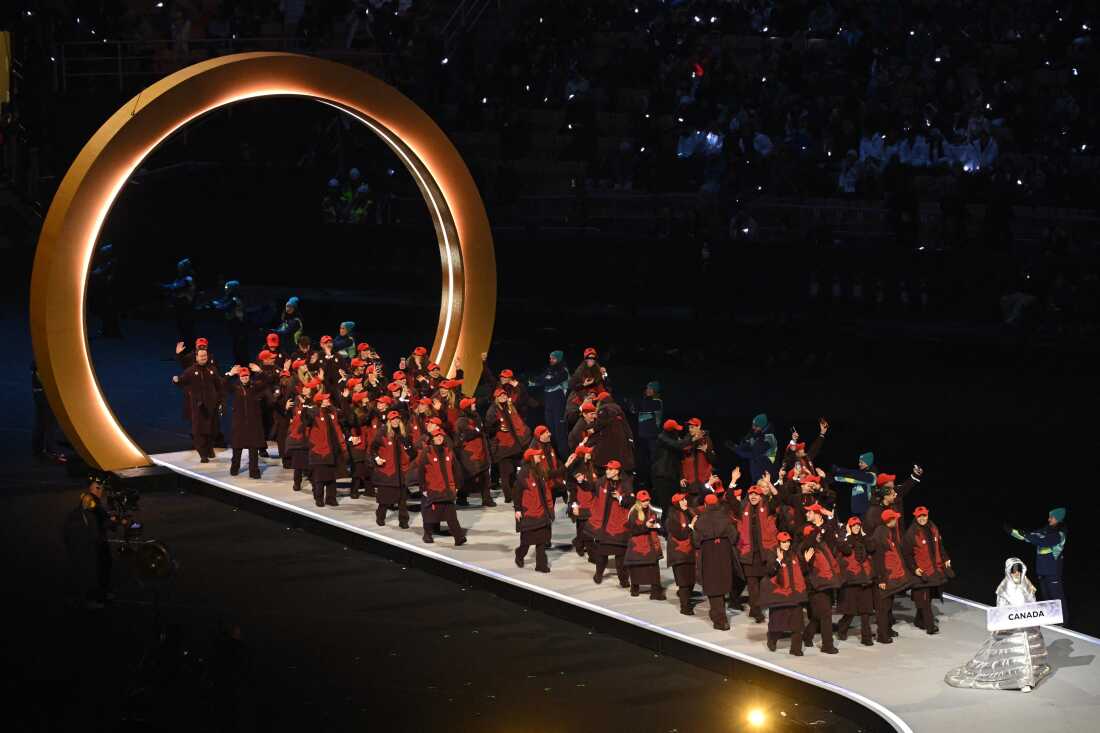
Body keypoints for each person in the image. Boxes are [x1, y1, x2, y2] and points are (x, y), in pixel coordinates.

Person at [945, 558, 1051, 692]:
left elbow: (1033, 601)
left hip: (1027, 625)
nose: (1016, 573)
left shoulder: (1027, 583)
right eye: (1013, 571)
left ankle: (1029, 677)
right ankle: (1023, 681)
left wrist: (1033, 616)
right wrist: (1006, 620)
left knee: (1028, 650)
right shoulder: (1004, 587)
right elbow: (1001, 608)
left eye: (1018, 570)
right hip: (1012, 626)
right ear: (1008, 572)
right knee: (1016, 653)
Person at [63, 473, 115, 609]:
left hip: (97, 542)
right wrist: (112, 521)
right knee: (91, 571)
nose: (100, 491)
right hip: (90, 544)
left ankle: (101, 593)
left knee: (104, 566)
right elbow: (98, 524)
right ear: (89, 489)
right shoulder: (89, 504)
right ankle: (89, 599)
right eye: (96, 488)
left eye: (101, 488)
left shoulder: (93, 503)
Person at [693, 493, 744, 630]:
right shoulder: (725, 519)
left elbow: (696, 542)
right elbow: (734, 537)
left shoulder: (700, 521)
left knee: (713, 587)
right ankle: (717, 615)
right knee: (721, 586)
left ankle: (720, 620)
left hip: (708, 556)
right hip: (724, 556)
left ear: (705, 505)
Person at [1008, 508, 1067, 620]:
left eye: (1052, 517)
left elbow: (1043, 541)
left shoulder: (1060, 534)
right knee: (1046, 598)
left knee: (1057, 598)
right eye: (1049, 516)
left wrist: (1027, 535)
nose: (1049, 519)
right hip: (1042, 570)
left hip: (1053, 571)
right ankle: (1051, 619)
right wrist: (1012, 531)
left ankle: (1063, 622)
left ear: (1058, 519)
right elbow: (1028, 536)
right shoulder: (1045, 530)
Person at [799, 506, 843, 654]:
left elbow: (830, 534)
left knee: (819, 614)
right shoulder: (807, 547)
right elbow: (804, 568)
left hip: (827, 582)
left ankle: (806, 636)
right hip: (816, 585)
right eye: (815, 535)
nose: (819, 536)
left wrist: (828, 518)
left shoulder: (821, 544)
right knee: (825, 615)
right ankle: (827, 645)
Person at [735, 480, 779, 623]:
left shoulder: (767, 506)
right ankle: (756, 610)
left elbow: (778, 499)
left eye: (756, 494)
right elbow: (730, 501)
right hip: (748, 553)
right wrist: (733, 482)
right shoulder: (743, 507)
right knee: (752, 584)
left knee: (762, 583)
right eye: (751, 494)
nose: (753, 496)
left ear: (761, 496)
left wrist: (770, 484)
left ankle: (756, 608)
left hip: (763, 553)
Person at [904, 506, 953, 634]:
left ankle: (919, 620)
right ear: (915, 516)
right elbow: (907, 555)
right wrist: (915, 569)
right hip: (921, 572)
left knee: (928, 598)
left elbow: (940, 546)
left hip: (934, 571)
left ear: (927, 515)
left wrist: (946, 558)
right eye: (919, 516)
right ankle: (930, 626)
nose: (922, 518)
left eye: (924, 516)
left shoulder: (933, 527)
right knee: (925, 601)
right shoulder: (911, 533)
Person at [586, 460, 635, 586]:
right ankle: (598, 575)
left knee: (620, 557)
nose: (607, 471)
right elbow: (591, 488)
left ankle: (623, 580)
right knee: (602, 554)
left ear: (617, 471)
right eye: (607, 469)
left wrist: (620, 497)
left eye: (610, 469)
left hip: (619, 525)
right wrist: (581, 480)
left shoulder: (626, 483)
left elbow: (630, 501)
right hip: (604, 525)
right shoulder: (602, 481)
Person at [760, 531, 809, 655]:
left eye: (788, 541)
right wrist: (778, 560)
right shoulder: (772, 554)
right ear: (778, 542)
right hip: (780, 596)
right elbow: (769, 571)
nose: (787, 544)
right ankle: (771, 639)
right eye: (784, 542)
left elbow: (799, 572)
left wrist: (805, 562)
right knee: (777, 624)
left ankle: (796, 649)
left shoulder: (794, 554)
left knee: (797, 625)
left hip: (795, 595)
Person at [416, 428, 467, 546]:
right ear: (432, 439)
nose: (439, 438)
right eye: (437, 437)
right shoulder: (426, 452)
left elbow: (457, 470)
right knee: (429, 514)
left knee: (451, 515)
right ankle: (427, 534)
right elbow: (421, 472)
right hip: (433, 489)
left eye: (441, 436)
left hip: (448, 489)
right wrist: (423, 488)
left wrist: (457, 486)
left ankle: (459, 537)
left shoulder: (448, 451)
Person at [869, 508, 912, 643]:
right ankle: (882, 635)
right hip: (884, 578)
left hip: (890, 577)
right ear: (889, 520)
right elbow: (878, 559)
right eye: (894, 518)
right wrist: (881, 578)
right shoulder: (880, 534)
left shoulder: (887, 532)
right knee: (882, 608)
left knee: (888, 607)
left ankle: (887, 630)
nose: (896, 520)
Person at [174, 346, 224, 462]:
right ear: (196, 357)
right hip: (198, 406)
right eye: (201, 356)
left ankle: (209, 448)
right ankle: (203, 454)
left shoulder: (212, 370)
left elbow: (219, 385)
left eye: (205, 356)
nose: (203, 358)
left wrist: (220, 401)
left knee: (212, 429)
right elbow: (181, 381)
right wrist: (176, 380)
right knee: (199, 430)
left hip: (212, 405)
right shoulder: (191, 371)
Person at [371, 410, 417, 527]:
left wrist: (408, 454)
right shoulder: (382, 433)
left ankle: (403, 521)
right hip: (388, 472)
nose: (395, 421)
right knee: (385, 500)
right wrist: (377, 459)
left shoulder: (404, 435)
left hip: (401, 473)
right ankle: (380, 517)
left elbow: (413, 453)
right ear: (389, 421)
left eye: (397, 419)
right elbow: (373, 449)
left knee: (402, 501)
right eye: (393, 419)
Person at [485, 388, 530, 502]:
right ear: (496, 398)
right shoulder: (493, 410)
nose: (503, 397)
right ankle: (508, 497)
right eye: (500, 396)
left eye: (504, 395)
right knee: (505, 473)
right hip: (501, 447)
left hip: (513, 446)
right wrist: (498, 427)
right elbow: (488, 428)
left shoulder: (510, 407)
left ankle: (514, 494)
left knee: (512, 472)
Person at [836, 516, 876, 646]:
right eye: (854, 525)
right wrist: (847, 534)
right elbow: (846, 550)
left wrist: (864, 535)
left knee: (866, 611)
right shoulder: (844, 539)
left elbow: (871, 548)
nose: (857, 527)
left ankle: (866, 637)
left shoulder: (864, 538)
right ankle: (842, 628)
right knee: (850, 611)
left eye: (858, 525)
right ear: (849, 527)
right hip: (851, 580)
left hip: (865, 579)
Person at [303, 392, 347, 508]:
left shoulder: (333, 411)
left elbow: (344, 418)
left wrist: (344, 399)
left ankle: (331, 498)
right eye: (325, 399)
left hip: (333, 449)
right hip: (319, 450)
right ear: (320, 401)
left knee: (332, 477)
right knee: (320, 477)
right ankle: (319, 498)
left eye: (328, 398)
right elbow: (306, 418)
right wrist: (306, 403)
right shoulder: (314, 412)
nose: (328, 400)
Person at [514, 448, 554, 572]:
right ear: (531, 457)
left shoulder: (540, 470)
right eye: (537, 456)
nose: (540, 457)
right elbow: (517, 493)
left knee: (541, 541)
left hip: (541, 512)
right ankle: (520, 554)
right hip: (529, 513)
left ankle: (541, 565)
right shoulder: (523, 473)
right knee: (526, 542)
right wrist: (518, 509)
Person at [526, 350, 570, 457]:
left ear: (558, 359)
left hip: (558, 402)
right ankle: (553, 454)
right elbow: (541, 378)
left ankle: (564, 456)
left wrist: (539, 382)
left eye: (553, 358)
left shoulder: (563, 371)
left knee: (560, 431)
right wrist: (536, 381)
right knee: (550, 429)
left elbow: (552, 381)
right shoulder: (549, 369)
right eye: (550, 358)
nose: (551, 360)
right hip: (549, 402)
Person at [226, 364, 266, 479]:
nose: (245, 378)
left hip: (253, 424)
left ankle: (254, 471)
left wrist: (260, 371)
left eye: (246, 376)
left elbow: (267, 382)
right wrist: (230, 374)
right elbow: (222, 384)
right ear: (239, 377)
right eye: (242, 376)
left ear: (249, 376)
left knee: (254, 449)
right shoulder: (235, 388)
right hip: (239, 424)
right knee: (237, 448)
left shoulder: (255, 387)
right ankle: (234, 468)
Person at [624, 490, 666, 600]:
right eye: (643, 501)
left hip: (651, 543)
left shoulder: (652, 511)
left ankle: (655, 591)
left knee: (653, 568)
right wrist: (646, 526)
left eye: (647, 500)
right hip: (638, 544)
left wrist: (657, 526)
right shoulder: (633, 512)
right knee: (636, 568)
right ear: (638, 501)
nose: (646, 502)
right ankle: (635, 588)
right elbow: (632, 530)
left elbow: (658, 525)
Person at [454, 398, 496, 507]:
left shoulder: (476, 416)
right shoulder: (461, 421)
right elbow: (468, 434)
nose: (475, 405)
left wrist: (478, 429)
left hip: (481, 451)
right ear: (467, 407)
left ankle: (487, 499)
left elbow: (478, 430)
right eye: (472, 404)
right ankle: (461, 498)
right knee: (469, 477)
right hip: (470, 454)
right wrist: (478, 429)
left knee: (485, 477)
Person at [665, 492, 697, 615]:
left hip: (690, 552)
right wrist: (691, 525)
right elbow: (681, 534)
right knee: (683, 582)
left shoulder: (688, 512)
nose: (685, 502)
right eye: (682, 500)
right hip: (679, 554)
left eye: (685, 499)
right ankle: (685, 607)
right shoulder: (672, 517)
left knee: (691, 579)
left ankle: (687, 598)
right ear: (676, 503)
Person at [653, 419, 691, 516]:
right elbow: (679, 445)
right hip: (662, 476)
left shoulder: (672, 439)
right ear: (671, 431)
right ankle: (665, 528)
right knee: (666, 505)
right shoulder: (662, 438)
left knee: (673, 504)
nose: (678, 432)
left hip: (671, 476)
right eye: (676, 430)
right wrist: (690, 436)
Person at [31, 360, 66, 464]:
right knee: (49, 423)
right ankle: (51, 452)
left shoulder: (38, 360)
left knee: (41, 422)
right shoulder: (43, 363)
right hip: (45, 394)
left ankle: (38, 450)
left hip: (39, 393)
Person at [680, 417, 717, 505]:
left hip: (704, 480)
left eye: (692, 427)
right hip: (689, 482)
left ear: (699, 426)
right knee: (691, 508)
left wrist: (707, 452)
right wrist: (681, 477)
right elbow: (680, 460)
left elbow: (713, 460)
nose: (690, 429)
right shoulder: (685, 441)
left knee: (706, 507)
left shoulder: (706, 439)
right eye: (689, 427)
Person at [633, 381, 664, 485]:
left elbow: (643, 410)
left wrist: (637, 406)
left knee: (653, 460)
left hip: (652, 436)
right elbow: (636, 410)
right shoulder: (647, 401)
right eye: (647, 388)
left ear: (655, 391)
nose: (647, 390)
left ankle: (653, 481)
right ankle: (644, 480)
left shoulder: (657, 401)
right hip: (643, 436)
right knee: (643, 460)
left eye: (650, 389)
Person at [732, 413, 777, 482]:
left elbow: (753, 454)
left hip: (765, 476)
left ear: (762, 426)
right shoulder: (758, 435)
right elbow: (748, 445)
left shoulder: (768, 439)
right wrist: (740, 445)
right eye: (753, 425)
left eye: (756, 426)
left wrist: (735, 449)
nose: (753, 427)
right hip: (757, 474)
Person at [161, 257, 196, 344]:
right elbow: (174, 287)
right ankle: (185, 352)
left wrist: (170, 288)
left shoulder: (188, 279)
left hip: (186, 308)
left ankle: (190, 351)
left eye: (180, 267)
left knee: (187, 330)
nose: (178, 269)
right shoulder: (180, 278)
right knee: (182, 330)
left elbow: (179, 288)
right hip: (180, 308)